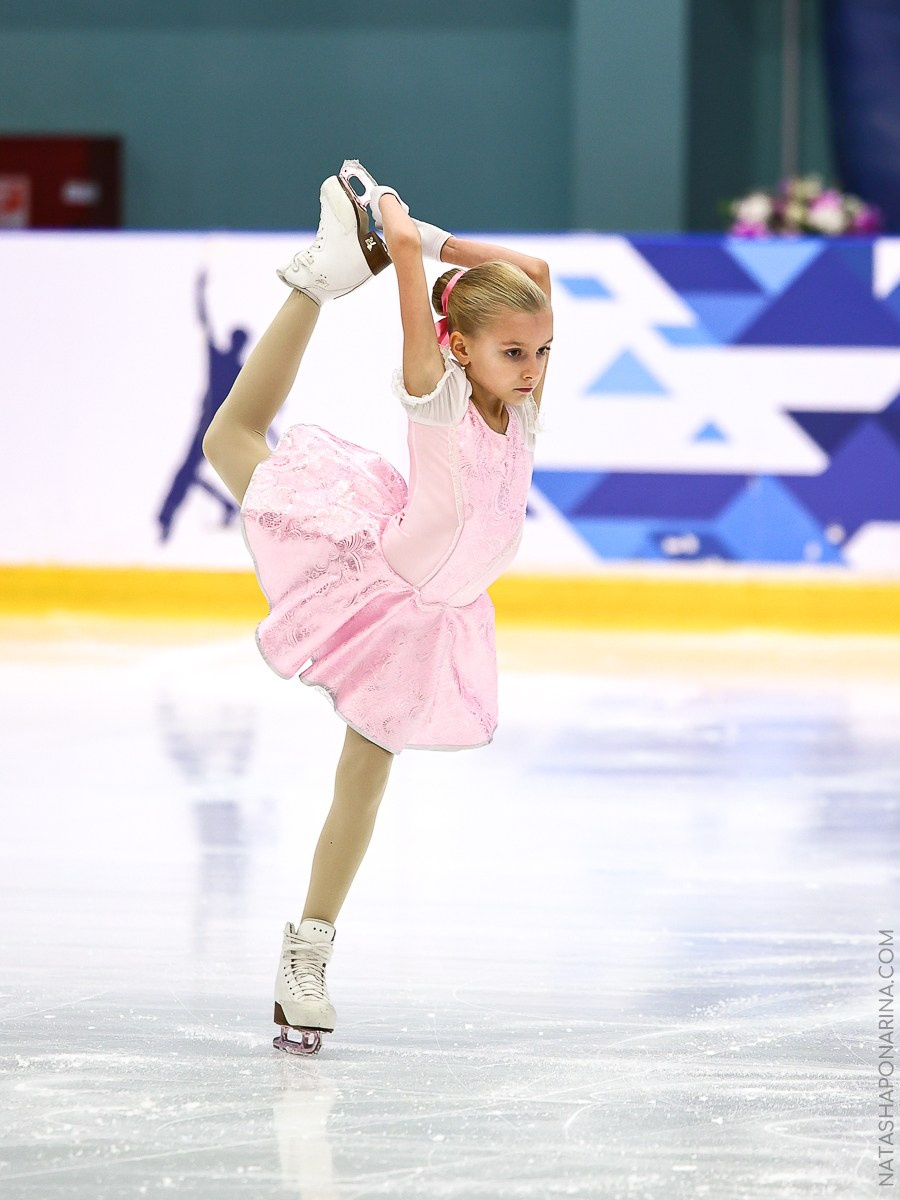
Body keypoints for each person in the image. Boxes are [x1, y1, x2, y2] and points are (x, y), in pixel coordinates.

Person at [202, 159, 553, 1055]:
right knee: (231, 438)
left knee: (365, 777)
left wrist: (429, 243)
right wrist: (397, 232)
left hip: (439, 615)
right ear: (460, 347)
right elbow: (402, 249)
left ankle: (305, 954)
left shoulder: (524, 400)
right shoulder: (434, 392)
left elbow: (538, 278)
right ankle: (313, 285)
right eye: (515, 352)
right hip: (373, 580)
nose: (534, 369)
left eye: (541, 350)